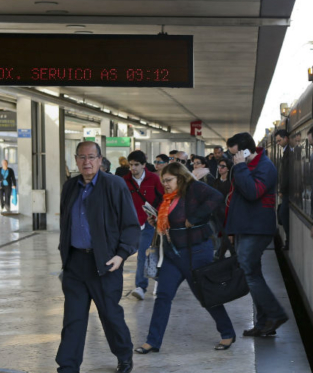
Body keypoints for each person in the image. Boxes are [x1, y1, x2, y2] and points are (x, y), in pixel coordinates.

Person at [134, 162, 236, 354]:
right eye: (163, 181)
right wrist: (156, 220)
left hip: (196, 252)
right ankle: (152, 341)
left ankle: (228, 333)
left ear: (180, 178)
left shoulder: (194, 188)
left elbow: (217, 196)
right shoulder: (168, 198)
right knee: (163, 296)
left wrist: (196, 217)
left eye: (168, 180)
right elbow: (174, 221)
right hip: (173, 253)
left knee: (205, 295)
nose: (165, 184)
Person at [56, 141, 139, 373]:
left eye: (91, 157)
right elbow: (66, 222)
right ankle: (67, 366)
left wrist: (121, 255)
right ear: (76, 160)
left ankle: (124, 356)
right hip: (75, 264)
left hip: (105, 263)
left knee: (110, 316)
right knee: (73, 319)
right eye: (82, 157)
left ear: (100, 160)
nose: (87, 162)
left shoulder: (115, 185)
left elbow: (131, 225)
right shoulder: (70, 186)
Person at [224, 132, 288, 337]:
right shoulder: (247, 165)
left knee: (248, 270)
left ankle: (275, 314)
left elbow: (253, 192)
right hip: (245, 226)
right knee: (252, 272)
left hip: (257, 228)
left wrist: (240, 166)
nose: (233, 158)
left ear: (244, 151)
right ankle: (263, 323)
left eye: (235, 154)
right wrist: (231, 230)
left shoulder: (265, 167)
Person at [123, 150, 164, 301]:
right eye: (131, 165)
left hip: (149, 223)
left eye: (136, 165)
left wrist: (157, 213)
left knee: (144, 254)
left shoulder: (154, 179)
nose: (133, 168)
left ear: (144, 165)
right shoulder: (124, 181)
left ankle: (141, 286)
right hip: (131, 223)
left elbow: (163, 198)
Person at [274, 129, 290, 248]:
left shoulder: (289, 152)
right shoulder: (285, 151)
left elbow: (286, 174)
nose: (278, 143)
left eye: (279, 140)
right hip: (285, 190)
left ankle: (288, 239)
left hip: (287, 191)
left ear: (286, 138)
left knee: (283, 212)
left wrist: (281, 190)